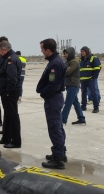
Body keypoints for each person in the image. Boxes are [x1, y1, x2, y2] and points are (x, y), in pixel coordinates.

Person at [37, 38, 67, 169]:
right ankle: (60, 152)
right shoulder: (55, 61)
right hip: (55, 98)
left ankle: (58, 158)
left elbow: (53, 85)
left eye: (42, 49)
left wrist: (43, 94)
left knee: (54, 128)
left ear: (48, 50)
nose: (42, 52)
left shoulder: (55, 64)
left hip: (53, 99)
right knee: (58, 126)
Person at [0, 40, 22, 149]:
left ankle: (16, 141)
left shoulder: (11, 59)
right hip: (6, 90)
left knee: (13, 116)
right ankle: (6, 137)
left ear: (5, 50)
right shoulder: (6, 58)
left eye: (0, 51)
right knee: (7, 115)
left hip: (10, 92)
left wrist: (7, 92)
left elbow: (12, 78)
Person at [61, 47, 86, 125]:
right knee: (75, 102)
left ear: (71, 53)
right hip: (69, 84)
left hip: (73, 85)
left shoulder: (74, 62)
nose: (65, 55)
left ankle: (62, 120)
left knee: (68, 102)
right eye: (64, 53)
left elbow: (67, 72)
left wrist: (64, 69)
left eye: (66, 53)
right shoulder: (68, 61)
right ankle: (81, 119)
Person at [79, 46, 101, 113]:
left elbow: (97, 68)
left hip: (90, 80)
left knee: (93, 93)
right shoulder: (81, 60)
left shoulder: (93, 58)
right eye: (81, 51)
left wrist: (93, 78)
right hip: (83, 80)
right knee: (83, 93)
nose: (82, 53)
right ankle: (83, 106)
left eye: (83, 51)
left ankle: (96, 107)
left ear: (87, 52)